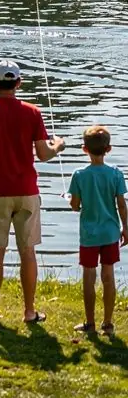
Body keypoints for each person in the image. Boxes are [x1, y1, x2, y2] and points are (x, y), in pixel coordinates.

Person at [0, 59, 65, 325]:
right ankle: (29, 312)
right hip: (26, 192)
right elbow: (44, 154)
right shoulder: (33, 112)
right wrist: (58, 145)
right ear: (19, 83)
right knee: (28, 252)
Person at [69, 125, 127, 335]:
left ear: (84, 149)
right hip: (111, 232)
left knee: (89, 276)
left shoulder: (79, 175)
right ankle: (108, 323)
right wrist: (125, 228)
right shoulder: (115, 173)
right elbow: (121, 204)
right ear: (108, 149)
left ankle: (90, 323)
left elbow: (75, 206)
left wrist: (71, 201)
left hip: (89, 235)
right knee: (108, 275)